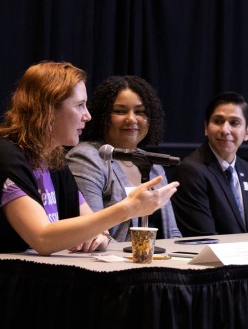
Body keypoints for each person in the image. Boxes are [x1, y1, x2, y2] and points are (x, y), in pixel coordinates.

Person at [0, 61, 178, 255]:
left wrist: (100, 234)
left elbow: (92, 222)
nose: (88, 116)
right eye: (80, 105)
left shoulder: (53, 157)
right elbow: (42, 238)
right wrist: (128, 209)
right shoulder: (3, 157)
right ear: (47, 110)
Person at [66, 76, 181, 241]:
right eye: (120, 111)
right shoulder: (87, 158)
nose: (132, 119)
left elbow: (172, 233)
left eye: (140, 112)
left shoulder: (153, 165)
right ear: (103, 115)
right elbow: (93, 232)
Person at [171, 92, 248, 236]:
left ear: (247, 132)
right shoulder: (190, 171)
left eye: (234, 123)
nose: (225, 130)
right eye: (218, 121)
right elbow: (203, 238)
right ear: (206, 128)